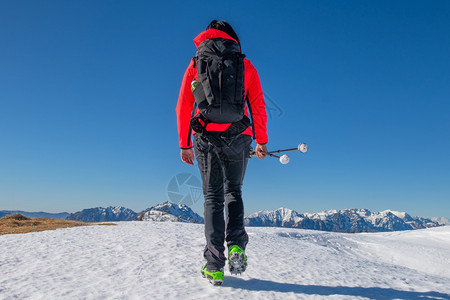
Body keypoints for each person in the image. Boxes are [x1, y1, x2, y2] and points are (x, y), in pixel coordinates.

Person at [176, 20, 268, 285]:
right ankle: (237, 245)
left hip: (205, 137)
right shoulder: (244, 64)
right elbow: (258, 105)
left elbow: (183, 105)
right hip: (240, 136)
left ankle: (214, 265)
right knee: (234, 192)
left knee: (213, 198)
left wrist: (184, 143)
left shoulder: (196, 64)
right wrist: (261, 141)